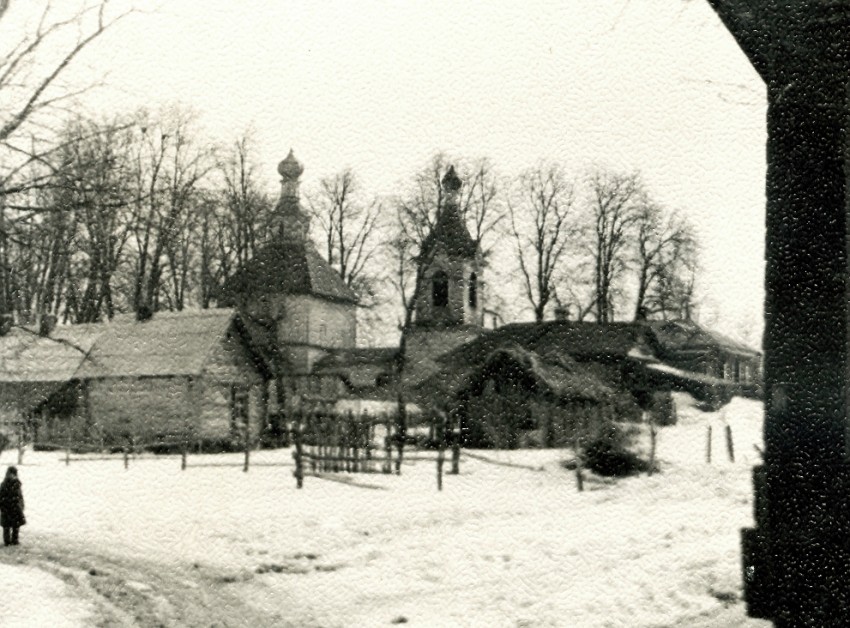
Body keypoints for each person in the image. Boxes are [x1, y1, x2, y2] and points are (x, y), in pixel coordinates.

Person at [0, 466, 25, 546]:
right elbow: (1, 496)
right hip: (6, 507)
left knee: (16, 525)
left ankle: (15, 540)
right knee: (6, 526)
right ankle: (7, 541)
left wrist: (21, 504)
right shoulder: (4, 484)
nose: (12, 476)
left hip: (16, 507)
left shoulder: (17, 484)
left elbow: (20, 495)